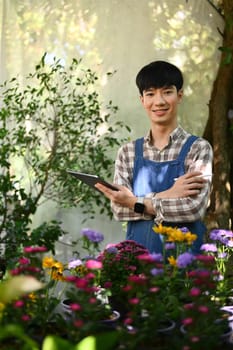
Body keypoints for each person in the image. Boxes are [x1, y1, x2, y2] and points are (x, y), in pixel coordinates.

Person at [95, 60, 213, 254]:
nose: (159, 101)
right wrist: (168, 194)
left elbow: (193, 208)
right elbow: (119, 209)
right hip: (137, 267)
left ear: (179, 95)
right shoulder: (128, 153)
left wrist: (134, 202)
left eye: (167, 92)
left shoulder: (198, 149)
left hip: (184, 267)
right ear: (142, 100)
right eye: (150, 94)